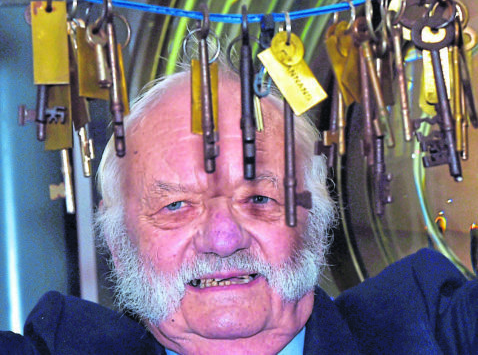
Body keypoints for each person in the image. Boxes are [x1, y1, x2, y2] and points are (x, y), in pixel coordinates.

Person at [1, 67, 477, 355]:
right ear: (119, 248)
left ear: (317, 223)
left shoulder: (430, 329)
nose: (224, 237)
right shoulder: (62, 345)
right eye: (176, 206)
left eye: (259, 199)